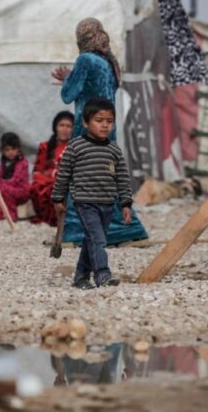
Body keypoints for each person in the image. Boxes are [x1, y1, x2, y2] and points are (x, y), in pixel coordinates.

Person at [51, 17, 148, 245]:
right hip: (107, 132)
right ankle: (127, 229)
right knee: (106, 180)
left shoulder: (86, 59)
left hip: (86, 129)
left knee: (80, 179)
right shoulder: (108, 63)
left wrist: (67, 78)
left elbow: (68, 94)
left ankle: (76, 232)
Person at [51, 98, 131, 289]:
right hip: (85, 203)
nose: (105, 125)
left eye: (109, 121)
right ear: (86, 123)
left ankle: (80, 278)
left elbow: (122, 177)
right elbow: (64, 174)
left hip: (108, 204)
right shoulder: (76, 147)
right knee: (98, 239)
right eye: (99, 120)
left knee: (91, 240)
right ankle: (103, 274)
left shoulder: (114, 150)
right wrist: (58, 198)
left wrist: (126, 203)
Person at [31, 111, 75, 226]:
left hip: (67, 182)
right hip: (48, 181)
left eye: (68, 126)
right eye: (61, 125)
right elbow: (37, 170)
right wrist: (50, 178)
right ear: (55, 127)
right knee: (37, 186)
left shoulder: (75, 147)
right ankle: (50, 219)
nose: (65, 129)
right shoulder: (45, 146)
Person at [0, 132, 30, 221]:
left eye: (13, 149)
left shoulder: (22, 162)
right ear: (3, 151)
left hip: (21, 190)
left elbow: (16, 180)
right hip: (6, 187)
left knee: (2, 189)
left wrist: (1, 185)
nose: (10, 152)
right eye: (7, 150)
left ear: (18, 149)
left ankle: (11, 216)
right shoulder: (4, 162)